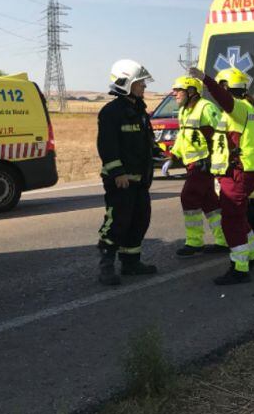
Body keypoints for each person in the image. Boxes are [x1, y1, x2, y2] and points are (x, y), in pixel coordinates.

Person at [188, 66, 254, 285]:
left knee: (231, 221)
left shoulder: (238, 108)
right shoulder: (248, 108)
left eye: (222, 87)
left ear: (227, 87)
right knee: (238, 216)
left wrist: (205, 79)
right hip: (240, 171)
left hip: (238, 172)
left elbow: (223, 98)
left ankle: (239, 268)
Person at [96, 59, 159, 285]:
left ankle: (131, 263)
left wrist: (158, 153)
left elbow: (145, 140)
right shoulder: (111, 112)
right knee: (117, 221)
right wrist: (118, 172)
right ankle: (106, 265)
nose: (144, 86)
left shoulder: (139, 110)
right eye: (140, 83)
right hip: (121, 180)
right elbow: (107, 146)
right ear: (126, 83)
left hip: (141, 180)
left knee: (140, 219)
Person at [168, 76, 229, 257]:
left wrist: (217, 159)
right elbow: (183, 137)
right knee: (210, 202)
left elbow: (222, 133)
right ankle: (224, 239)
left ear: (191, 91)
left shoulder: (206, 108)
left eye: (178, 90)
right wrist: (173, 156)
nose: (175, 94)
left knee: (189, 197)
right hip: (192, 164)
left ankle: (194, 243)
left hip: (203, 165)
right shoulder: (184, 111)